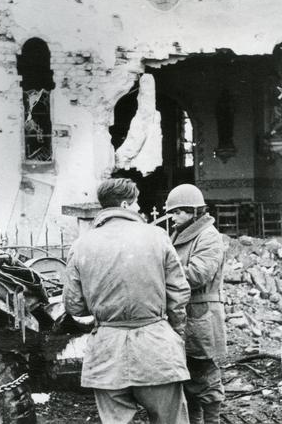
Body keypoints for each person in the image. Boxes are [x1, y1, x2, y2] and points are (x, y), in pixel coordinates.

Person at [63, 178, 191, 424]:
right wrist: (175, 333)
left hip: (106, 354)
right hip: (157, 350)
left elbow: (74, 305)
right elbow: (178, 293)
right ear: (125, 204)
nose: (139, 209)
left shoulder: (81, 245)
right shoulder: (158, 236)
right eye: (136, 203)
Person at [165, 184, 227, 424]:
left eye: (179, 211)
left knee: (206, 374)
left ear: (194, 211)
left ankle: (212, 421)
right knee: (189, 375)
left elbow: (198, 274)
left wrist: (161, 272)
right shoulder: (181, 233)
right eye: (172, 212)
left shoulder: (209, 236)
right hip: (186, 313)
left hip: (202, 314)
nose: (173, 216)